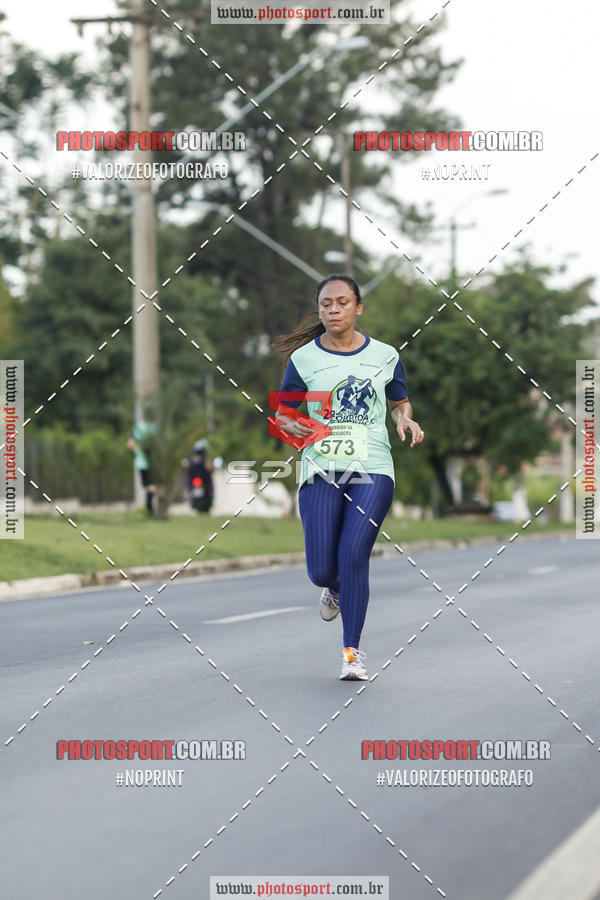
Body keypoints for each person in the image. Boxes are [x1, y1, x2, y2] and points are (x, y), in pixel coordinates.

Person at [272, 274, 425, 681]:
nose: (333, 310)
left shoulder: (386, 355)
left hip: (373, 467)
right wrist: (293, 425)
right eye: (325, 304)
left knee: (354, 555)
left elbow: (399, 402)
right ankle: (334, 587)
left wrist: (404, 422)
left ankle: (352, 653)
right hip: (321, 466)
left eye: (342, 303)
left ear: (358, 308)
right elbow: (283, 414)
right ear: (319, 309)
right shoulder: (304, 359)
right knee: (322, 569)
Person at [127, 416, 158, 516]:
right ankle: (150, 510)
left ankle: (149, 509)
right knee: (152, 486)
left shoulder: (138, 428)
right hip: (153, 462)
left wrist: (137, 454)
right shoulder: (155, 427)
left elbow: (130, 445)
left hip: (141, 462)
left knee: (149, 486)